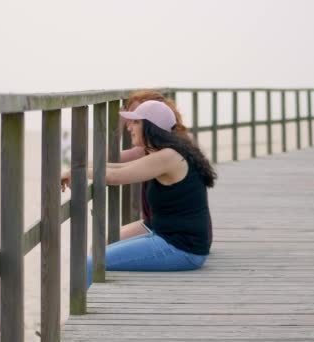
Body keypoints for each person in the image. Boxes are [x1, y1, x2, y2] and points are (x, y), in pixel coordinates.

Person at [61, 100, 217, 286]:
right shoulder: (167, 153)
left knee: (89, 263)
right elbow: (121, 167)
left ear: (151, 127)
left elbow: (116, 176)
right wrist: (80, 168)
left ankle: (82, 313)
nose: (129, 127)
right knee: (96, 251)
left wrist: (78, 172)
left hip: (182, 249)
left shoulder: (168, 157)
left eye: (136, 122)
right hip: (169, 238)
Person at [118, 91, 213, 245]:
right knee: (104, 245)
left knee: (100, 251)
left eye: (136, 119)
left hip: (177, 237)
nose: (130, 126)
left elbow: (113, 167)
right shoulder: (173, 144)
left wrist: (119, 123)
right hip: (169, 228)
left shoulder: (164, 153)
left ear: (153, 121)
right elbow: (113, 166)